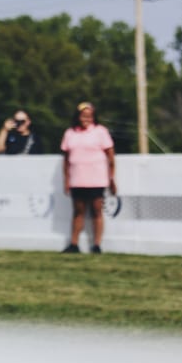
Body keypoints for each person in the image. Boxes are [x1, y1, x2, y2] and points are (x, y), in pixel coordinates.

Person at [59, 102, 116, 253]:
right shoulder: (70, 133)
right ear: (78, 117)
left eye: (89, 116)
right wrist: (66, 179)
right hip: (77, 179)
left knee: (97, 211)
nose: (86, 119)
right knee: (78, 212)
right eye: (83, 116)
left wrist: (112, 179)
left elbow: (110, 157)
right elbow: (66, 159)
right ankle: (74, 243)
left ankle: (96, 245)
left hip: (96, 179)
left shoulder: (100, 131)